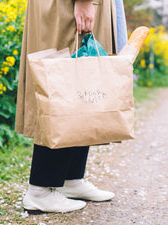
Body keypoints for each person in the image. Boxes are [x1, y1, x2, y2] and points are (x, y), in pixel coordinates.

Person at [15, 0, 127, 213]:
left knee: (83, 80)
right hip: (67, 4)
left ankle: (70, 179)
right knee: (64, 83)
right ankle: (39, 191)